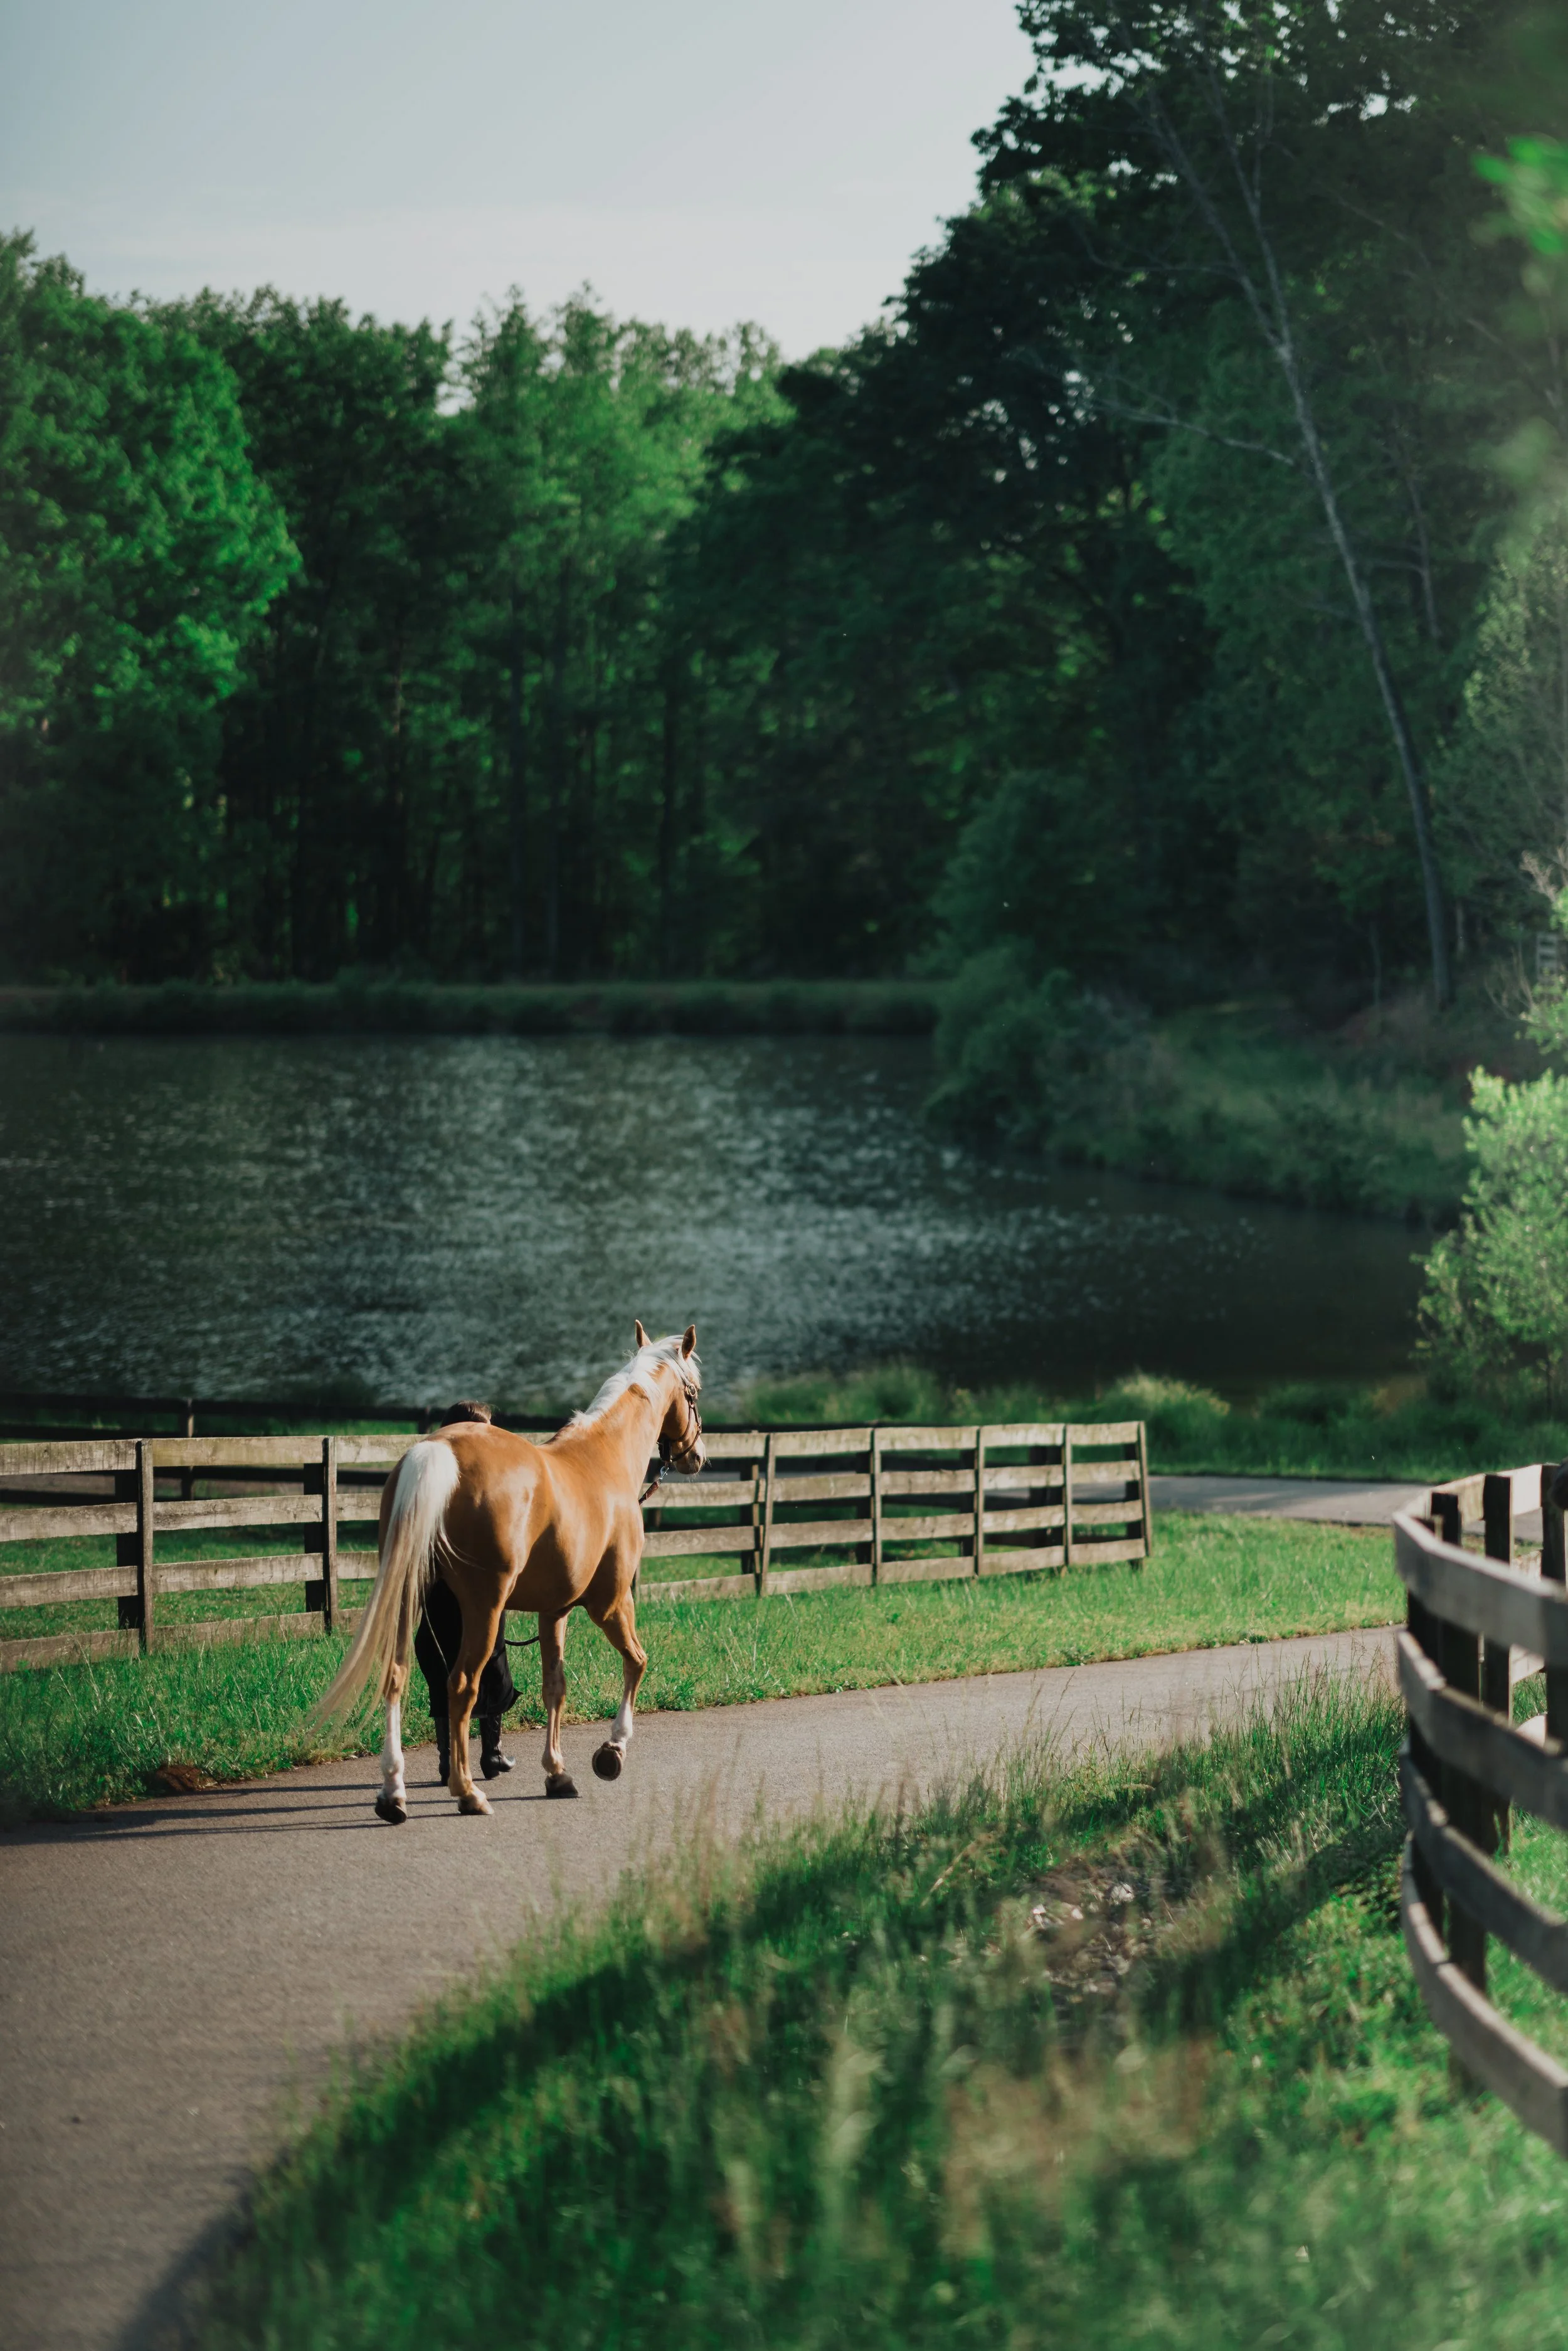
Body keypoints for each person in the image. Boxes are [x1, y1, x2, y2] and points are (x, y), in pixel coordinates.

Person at [413, 1401, 517, 1784]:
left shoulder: (430, 1483)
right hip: (472, 1591)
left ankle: (454, 1758)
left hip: (438, 1592)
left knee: (449, 1665)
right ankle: (488, 1754)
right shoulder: (479, 1489)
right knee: (488, 1659)